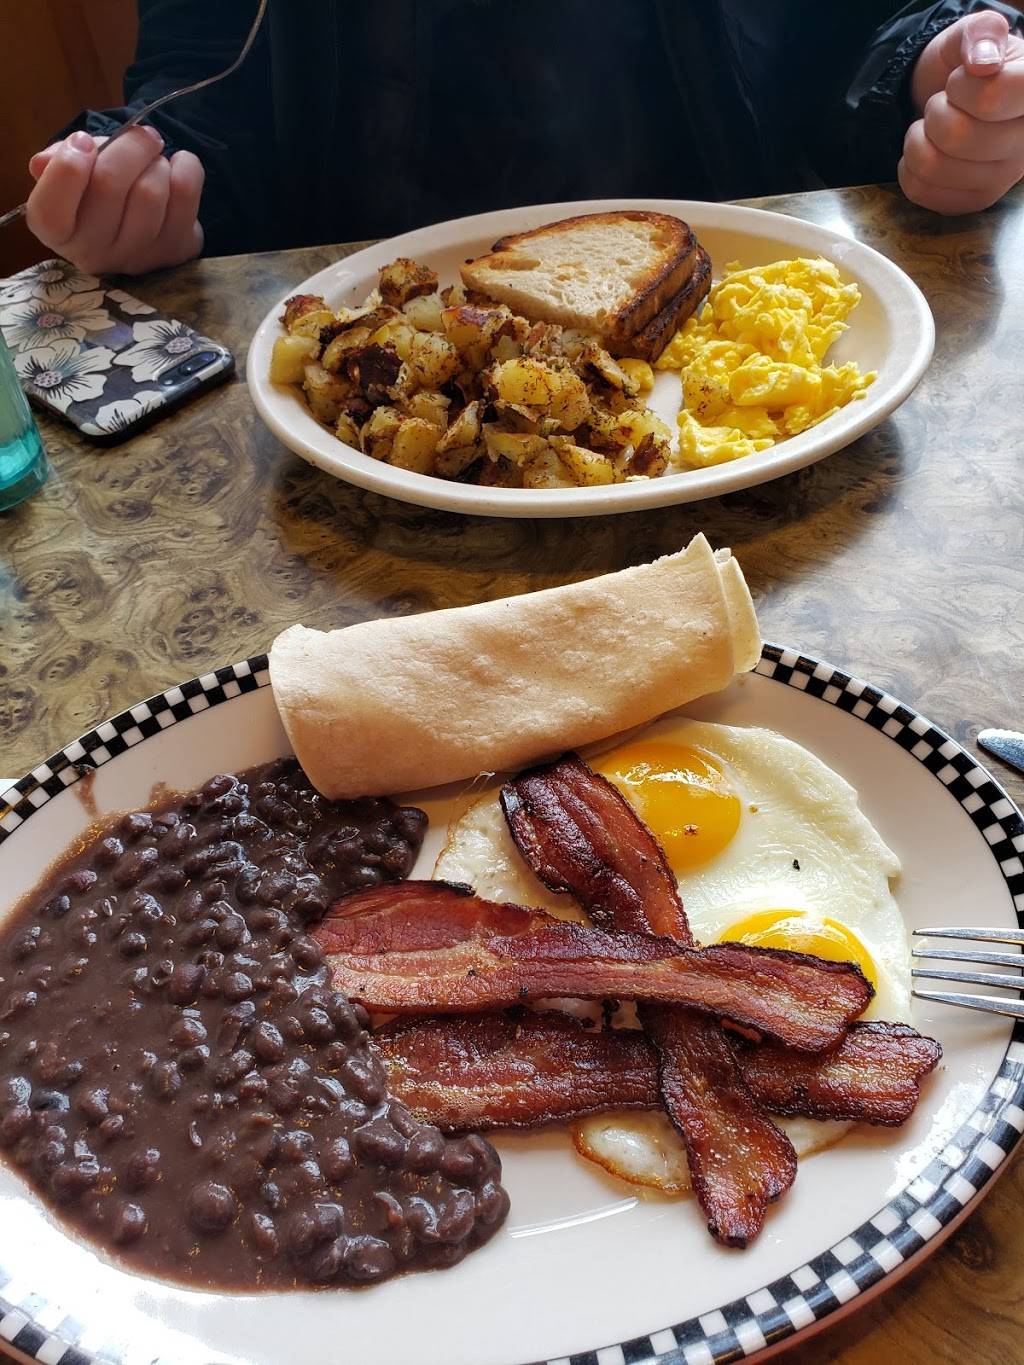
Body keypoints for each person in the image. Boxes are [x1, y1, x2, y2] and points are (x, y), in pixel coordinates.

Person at [22, 0, 1024, 278]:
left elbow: (863, 34)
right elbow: (198, 96)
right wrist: (139, 199)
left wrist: (943, 74)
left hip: (723, 333)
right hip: (363, 371)